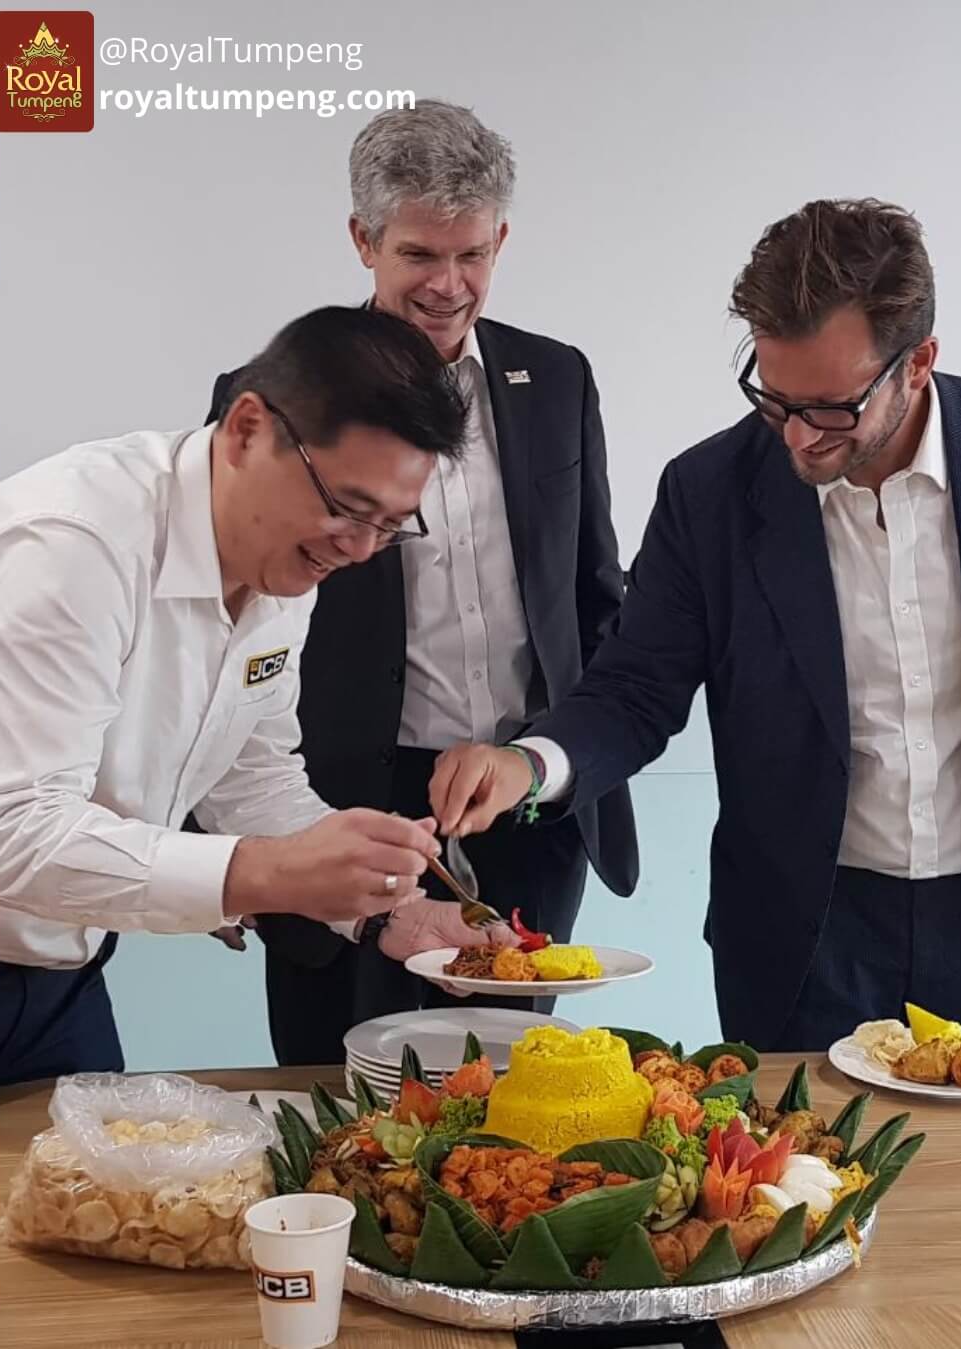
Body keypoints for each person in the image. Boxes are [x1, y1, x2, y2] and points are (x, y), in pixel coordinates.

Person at [429, 198, 961, 1052]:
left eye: (830, 408)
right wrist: (528, 764)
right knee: (801, 1183)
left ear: (919, 364)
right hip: (809, 937)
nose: (798, 435)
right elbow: (633, 687)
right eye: (775, 398)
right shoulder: (712, 491)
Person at [206, 100, 637, 1064]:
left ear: (502, 238)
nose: (450, 286)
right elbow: (226, 632)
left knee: (512, 1095)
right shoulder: (278, 391)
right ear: (363, 240)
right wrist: (220, 846)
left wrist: (561, 757)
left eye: (473, 255)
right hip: (343, 799)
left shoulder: (557, 378)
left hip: (526, 796)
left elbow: (594, 598)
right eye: (418, 257)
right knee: (338, 1082)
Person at [0, 305, 515, 1088]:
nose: (359, 550)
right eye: (346, 508)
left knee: (90, 1204)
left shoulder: (281, 565)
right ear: (245, 429)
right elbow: (11, 835)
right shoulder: (77, 545)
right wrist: (268, 873)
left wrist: (385, 911)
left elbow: (251, 779)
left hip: (62, 970)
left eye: (390, 527)